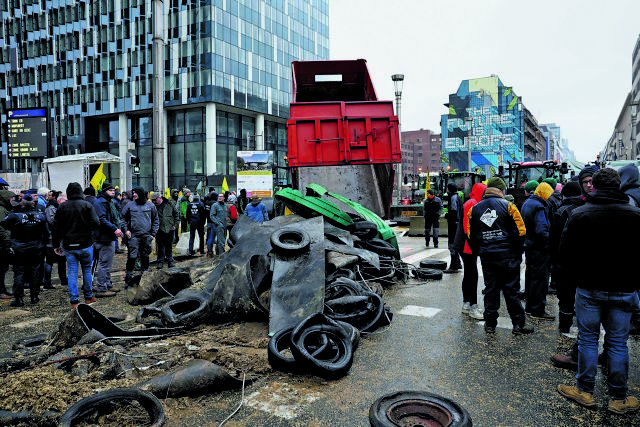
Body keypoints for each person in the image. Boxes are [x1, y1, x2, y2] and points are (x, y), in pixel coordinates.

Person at [557, 168, 640, 414]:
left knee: (588, 339)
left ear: (593, 185)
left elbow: (565, 255)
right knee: (617, 342)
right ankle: (618, 398)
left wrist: (569, 285)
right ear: (619, 186)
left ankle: (584, 391)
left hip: (589, 287)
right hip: (624, 288)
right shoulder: (636, 215)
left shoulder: (580, 214)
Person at [467, 177, 533, 335]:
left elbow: (471, 236)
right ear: (501, 190)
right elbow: (521, 231)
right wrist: (517, 253)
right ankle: (518, 324)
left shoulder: (474, 210)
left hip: (487, 257)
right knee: (511, 291)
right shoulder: (509, 206)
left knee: (491, 289)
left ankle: (490, 324)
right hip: (508, 256)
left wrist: (481, 251)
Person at [51, 182, 100, 309]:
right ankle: (88, 297)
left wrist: (56, 244)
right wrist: (88, 230)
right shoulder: (87, 205)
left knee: (72, 271)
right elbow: (96, 223)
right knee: (87, 270)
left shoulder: (62, 207)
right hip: (85, 243)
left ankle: (74, 300)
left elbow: (55, 228)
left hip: (69, 244)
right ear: (80, 192)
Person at [548, 181, 585, 334]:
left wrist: (554, 262)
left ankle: (564, 325)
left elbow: (554, 239)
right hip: (585, 261)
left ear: (564, 195)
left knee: (566, 296)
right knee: (585, 296)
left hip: (565, 262)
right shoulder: (587, 209)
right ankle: (585, 327)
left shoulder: (561, 211)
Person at [0, 194, 49, 307]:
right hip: (35, 248)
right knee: (34, 272)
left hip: (19, 248)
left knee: (19, 273)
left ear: (22, 204)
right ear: (33, 204)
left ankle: (19, 298)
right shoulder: (40, 217)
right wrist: (41, 245)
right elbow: (46, 234)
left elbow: (3, 223)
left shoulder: (15, 216)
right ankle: (34, 297)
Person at [520, 181, 554, 320]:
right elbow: (542, 230)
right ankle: (538, 310)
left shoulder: (527, 203)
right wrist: (547, 245)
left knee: (531, 276)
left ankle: (529, 307)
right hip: (539, 248)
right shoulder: (540, 206)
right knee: (540, 279)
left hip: (529, 246)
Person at [453, 182, 486, 320]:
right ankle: (472, 306)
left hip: (464, 244)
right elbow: (468, 228)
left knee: (469, 274)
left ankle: (467, 304)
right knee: (472, 275)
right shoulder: (472, 203)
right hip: (467, 245)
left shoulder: (471, 201)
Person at [92, 182, 124, 297]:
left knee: (107, 263)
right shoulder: (101, 202)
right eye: (110, 190)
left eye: (113, 190)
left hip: (107, 236)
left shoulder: (108, 201)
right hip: (103, 237)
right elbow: (102, 219)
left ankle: (107, 284)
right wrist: (115, 229)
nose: (113, 192)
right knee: (105, 263)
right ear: (105, 191)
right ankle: (101, 288)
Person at [121, 186, 159, 282]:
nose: (134, 195)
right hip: (133, 236)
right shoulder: (129, 205)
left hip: (146, 236)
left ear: (141, 194)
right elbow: (122, 218)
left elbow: (156, 220)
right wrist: (126, 230)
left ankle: (144, 275)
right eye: (133, 193)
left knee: (145, 255)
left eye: (136, 193)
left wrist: (153, 234)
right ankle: (129, 276)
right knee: (132, 256)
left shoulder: (150, 206)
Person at [42, 192, 68, 291]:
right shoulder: (51, 208)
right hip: (51, 239)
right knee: (49, 261)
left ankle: (63, 279)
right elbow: (52, 223)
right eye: (65, 201)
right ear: (60, 201)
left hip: (59, 239)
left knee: (62, 260)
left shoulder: (57, 208)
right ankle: (47, 282)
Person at [152, 192, 179, 268]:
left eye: (155, 200)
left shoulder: (169, 204)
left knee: (169, 246)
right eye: (152, 200)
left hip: (170, 228)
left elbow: (176, 214)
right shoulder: (153, 207)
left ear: (159, 198)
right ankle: (160, 261)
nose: (154, 201)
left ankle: (170, 261)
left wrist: (175, 225)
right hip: (159, 229)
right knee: (160, 246)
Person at [0, 186, 16, 299]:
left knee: (3, 268)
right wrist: (8, 242)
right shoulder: (1, 210)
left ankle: (3, 289)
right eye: (11, 198)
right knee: (1, 268)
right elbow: (1, 228)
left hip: (3, 244)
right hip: (1, 245)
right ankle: (1, 291)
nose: (13, 200)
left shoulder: (5, 209)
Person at [444, 183, 463, 273]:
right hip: (457, 223)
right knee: (455, 243)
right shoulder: (457, 197)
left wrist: (447, 215)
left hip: (454, 224)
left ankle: (453, 265)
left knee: (452, 244)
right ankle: (458, 263)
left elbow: (454, 211)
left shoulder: (453, 197)